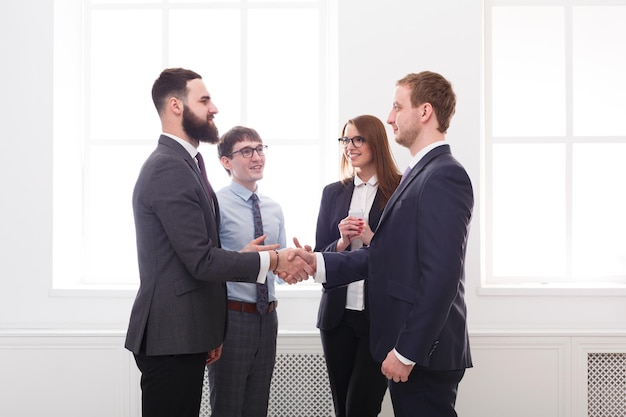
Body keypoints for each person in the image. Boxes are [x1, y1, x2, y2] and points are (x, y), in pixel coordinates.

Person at [124, 68, 309, 417]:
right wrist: (271, 261)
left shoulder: (186, 163)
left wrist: (210, 328)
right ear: (176, 106)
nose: (214, 109)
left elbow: (191, 254)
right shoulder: (169, 166)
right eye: (205, 100)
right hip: (171, 336)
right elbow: (201, 260)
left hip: (187, 333)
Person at [290, 71, 474, 417]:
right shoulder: (418, 174)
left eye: (396, 106)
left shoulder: (443, 175)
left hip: (424, 354)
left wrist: (407, 352)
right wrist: (319, 263)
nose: (389, 117)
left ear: (424, 112)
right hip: (409, 346)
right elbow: (386, 256)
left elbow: (441, 278)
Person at [314, 115, 400, 417]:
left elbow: (404, 258)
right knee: (343, 410)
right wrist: (340, 242)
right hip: (337, 317)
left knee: (361, 409)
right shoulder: (332, 193)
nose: (350, 147)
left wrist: (370, 237)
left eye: (358, 139)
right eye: (345, 140)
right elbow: (318, 256)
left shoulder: (400, 190)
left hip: (378, 319)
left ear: (376, 141)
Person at [206, 126, 284, 416]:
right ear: (226, 161)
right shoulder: (214, 204)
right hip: (231, 318)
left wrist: (296, 263)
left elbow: (278, 265)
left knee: (257, 407)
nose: (257, 157)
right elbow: (207, 263)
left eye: (260, 148)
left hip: (268, 318)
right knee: (227, 407)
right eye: (247, 151)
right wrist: (242, 258)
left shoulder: (274, 208)